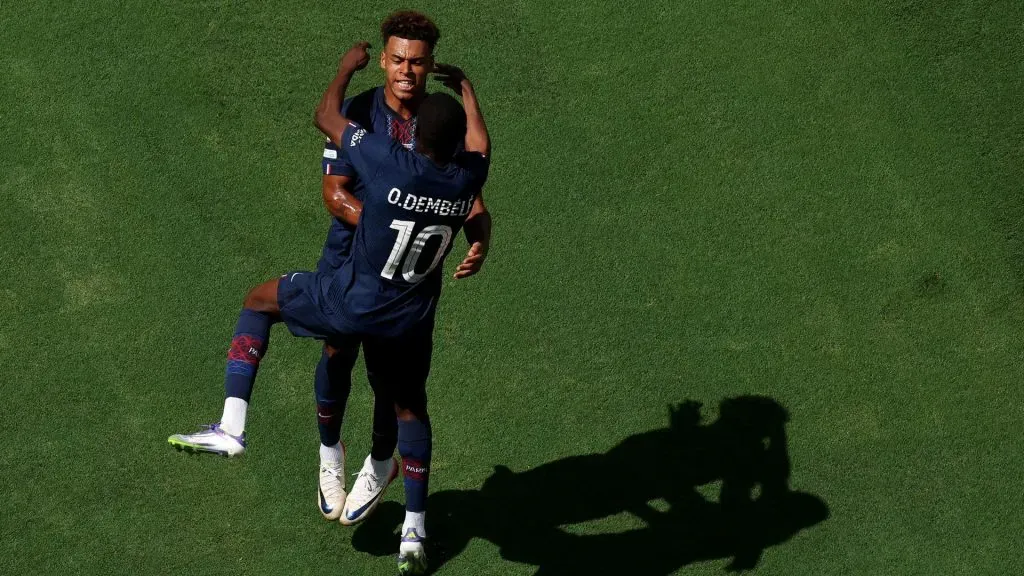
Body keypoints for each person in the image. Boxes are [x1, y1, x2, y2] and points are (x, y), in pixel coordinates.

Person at [174, 40, 490, 575]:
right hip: (412, 315)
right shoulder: (466, 177)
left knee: (259, 301)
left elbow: (325, 115)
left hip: (355, 299)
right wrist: (468, 90)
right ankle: (413, 530)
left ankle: (232, 426)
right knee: (411, 406)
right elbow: (481, 145)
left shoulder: (393, 167)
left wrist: (346, 66)